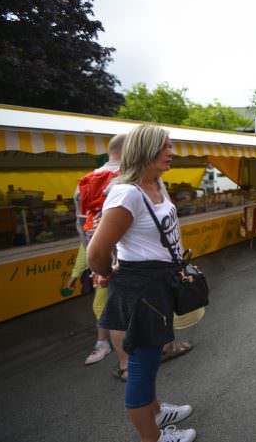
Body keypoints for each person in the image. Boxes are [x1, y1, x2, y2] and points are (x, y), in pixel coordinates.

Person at [87, 125, 196, 442]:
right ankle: (153, 437)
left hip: (156, 283)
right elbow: (96, 253)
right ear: (145, 149)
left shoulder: (155, 184)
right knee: (141, 367)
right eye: (166, 146)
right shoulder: (128, 193)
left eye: (171, 145)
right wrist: (106, 272)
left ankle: (158, 412)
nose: (171, 152)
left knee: (148, 359)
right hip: (141, 288)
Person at [68, 134, 127, 367]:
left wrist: (95, 265)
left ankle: (111, 352)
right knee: (138, 310)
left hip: (101, 258)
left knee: (105, 305)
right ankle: (130, 362)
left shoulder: (83, 184)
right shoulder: (131, 180)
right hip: (129, 259)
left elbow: (83, 228)